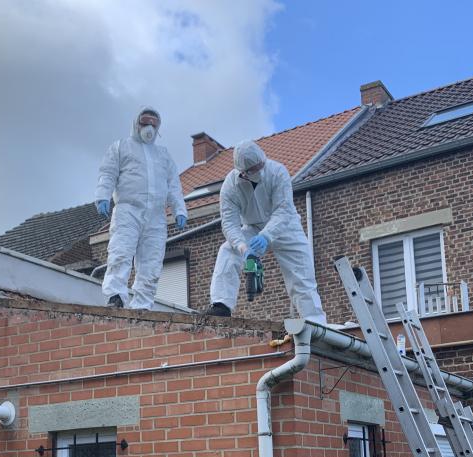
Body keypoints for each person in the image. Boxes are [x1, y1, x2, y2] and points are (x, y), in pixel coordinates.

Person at [203, 140, 326, 323]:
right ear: (243, 172)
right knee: (227, 251)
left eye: (261, 165)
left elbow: (283, 210)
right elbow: (229, 223)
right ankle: (221, 306)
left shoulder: (278, 172)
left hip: (286, 227)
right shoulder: (230, 186)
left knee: (301, 274)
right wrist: (242, 247)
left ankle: (314, 321)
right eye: (255, 168)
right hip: (253, 227)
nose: (261, 169)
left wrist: (266, 236)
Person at [95, 107, 187, 310]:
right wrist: (103, 195)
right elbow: (108, 173)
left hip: (156, 216)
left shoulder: (163, 155)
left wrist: (180, 210)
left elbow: (173, 185)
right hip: (128, 211)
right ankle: (115, 296)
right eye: (145, 122)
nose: (149, 128)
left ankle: (143, 304)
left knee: (152, 261)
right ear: (136, 123)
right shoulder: (121, 147)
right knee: (121, 252)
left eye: (154, 124)